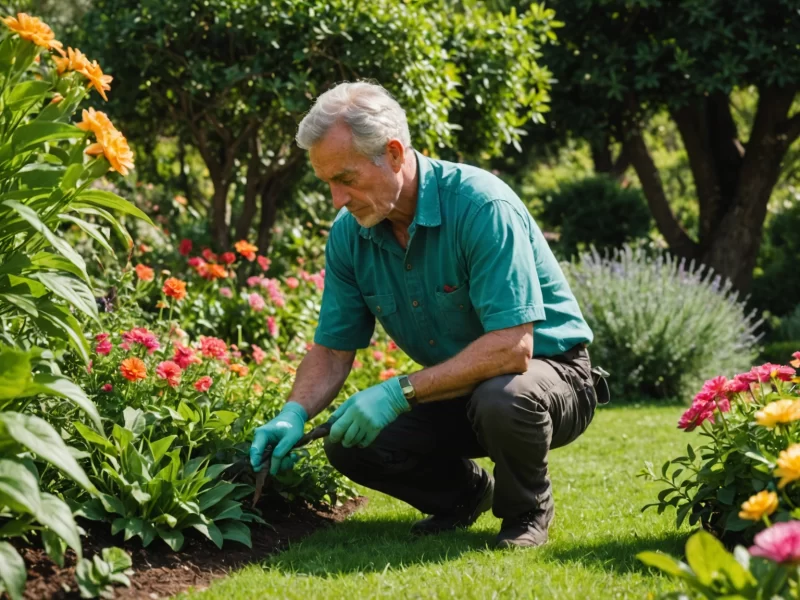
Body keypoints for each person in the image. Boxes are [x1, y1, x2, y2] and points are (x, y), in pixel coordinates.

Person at [249, 81, 603, 549]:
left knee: (503, 396)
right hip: (461, 385)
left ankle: (526, 514)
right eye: (327, 182)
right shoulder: (351, 234)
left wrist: (398, 392)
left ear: (394, 154)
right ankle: (465, 495)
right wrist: (293, 413)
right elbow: (333, 350)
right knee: (346, 440)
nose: (337, 198)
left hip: (550, 377)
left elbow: (512, 348)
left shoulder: (481, 206)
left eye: (347, 179)